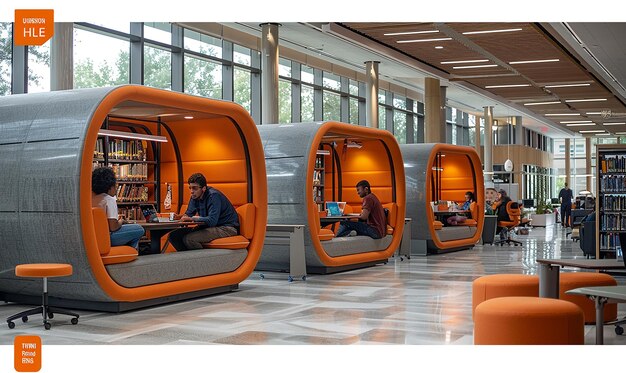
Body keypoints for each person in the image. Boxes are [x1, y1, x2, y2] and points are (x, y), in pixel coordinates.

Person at [168, 173, 239, 251]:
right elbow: (188, 214)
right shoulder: (194, 196)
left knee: (190, 239)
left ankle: (202, 262)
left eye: (194, 188)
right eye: (190, 188)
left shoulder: (213, 196)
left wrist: (194, 218)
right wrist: (179, 217)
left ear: (204, 188)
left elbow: (212, 221)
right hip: (209, 227)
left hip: (227, 228)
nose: (191, 191)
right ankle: (188, 260)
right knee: (174, 236)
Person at [92, 167, 145, 249]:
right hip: (109, 237)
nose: (116, 189)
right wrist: (122, 221)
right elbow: (113, 227)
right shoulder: (109, 199)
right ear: (110, 187)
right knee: (139, 229)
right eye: (115, 185)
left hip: (94, 237)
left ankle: (130, 250)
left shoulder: (92, 199)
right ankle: (131, 251)